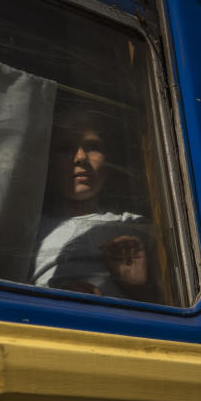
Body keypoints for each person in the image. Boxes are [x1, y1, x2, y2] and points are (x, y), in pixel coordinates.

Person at [30, 103, 157, 300]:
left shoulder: (136, 228)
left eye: (93, 147)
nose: (80, 158)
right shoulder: (29, 230)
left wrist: (137, 287)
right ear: (47, 163)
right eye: (65, 149)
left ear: (108, 162)